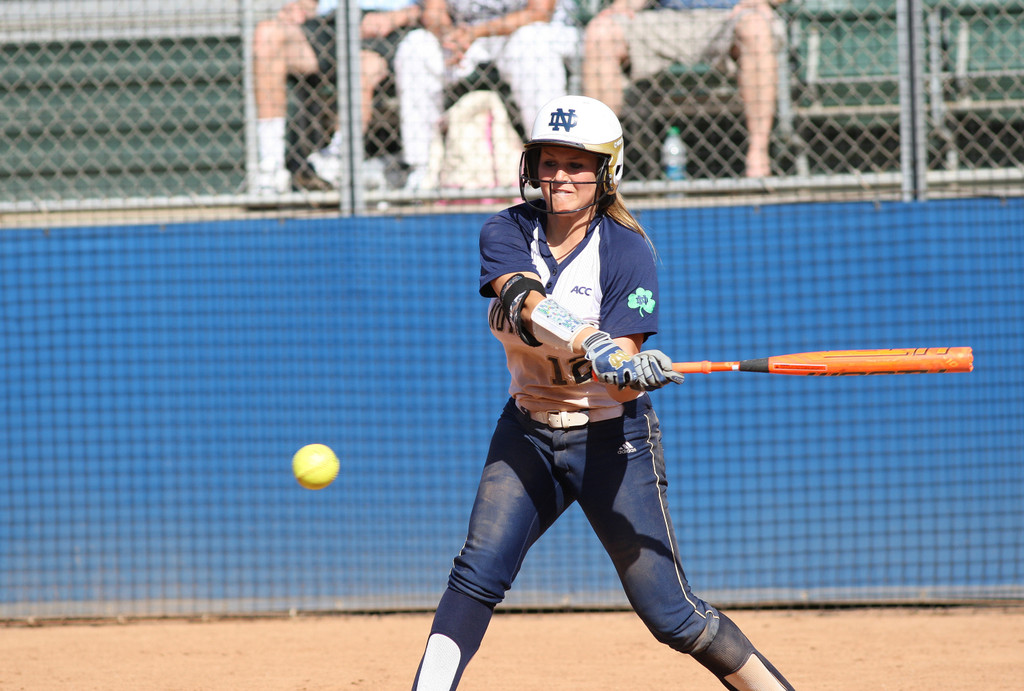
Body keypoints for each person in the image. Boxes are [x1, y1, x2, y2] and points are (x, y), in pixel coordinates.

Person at [410, 94, 795, 690]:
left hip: (612, 441)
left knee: (673, 616)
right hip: (528, 432)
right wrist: (594, 341)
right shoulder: (506, 229)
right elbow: (521, 297)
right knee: (476, 574)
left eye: (576, 163)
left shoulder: (626, 250)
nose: (558, 175)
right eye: (548, 161)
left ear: (607, 170)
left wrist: (632, 369)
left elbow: (619, 380)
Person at [393, 0, 581, 191]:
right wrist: (451, 37)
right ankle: (422, 169)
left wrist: (476, 32)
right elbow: (434, 12)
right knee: (415, 46)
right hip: (465, 37)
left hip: (529, 30)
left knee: (532, 43)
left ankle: (551, 160)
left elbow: (540, 12)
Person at [581, 0, 782, 178]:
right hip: (665, 19)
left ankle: (758, 156)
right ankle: (599, 161)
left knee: (756, 27)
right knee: (601, 31)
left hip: (729, 15)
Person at [252, 0, 421, 193]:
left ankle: (336, 160)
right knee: (267, 34)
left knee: (361, 66)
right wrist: (299, 7)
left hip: (389, 27)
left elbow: (436, 10)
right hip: (332, 23)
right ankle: (271, 168)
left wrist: (401, 16)